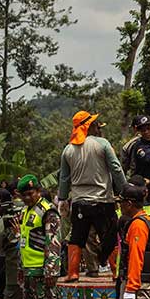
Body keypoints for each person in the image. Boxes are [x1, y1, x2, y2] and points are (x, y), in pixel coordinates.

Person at [58, 110, 127, 282]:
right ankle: (116, 271)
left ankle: (73, 273)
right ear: (90, 126)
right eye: (95, 124)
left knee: (76, 237)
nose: (98, 128)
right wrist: (124, 190)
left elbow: (64, 178)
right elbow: (116, 168)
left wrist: (62, 198)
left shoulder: (68, 150)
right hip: (102, 201)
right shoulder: (102, 144)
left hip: (79, 202)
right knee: (109, 237)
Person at [17, 174, 67, 299]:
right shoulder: (25, 211)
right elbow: (24, 240)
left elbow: (53, 242)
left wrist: (51, 270)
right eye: (24, 195)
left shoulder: (48, 211)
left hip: (42, 271)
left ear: (38, 191)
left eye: (30, 194)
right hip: (28, 270)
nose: (27, 198)